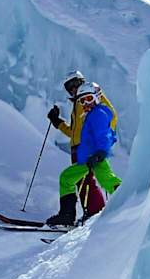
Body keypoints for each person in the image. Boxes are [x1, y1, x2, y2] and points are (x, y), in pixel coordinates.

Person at [44, 83, 121, 227]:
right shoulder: (90, 115)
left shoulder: (99, 113)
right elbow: (75, 132)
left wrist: (100, 152)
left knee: (105, 180)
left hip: (95, 157)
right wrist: (57, 121)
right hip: (87, 158)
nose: (86, 103)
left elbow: (103, 134)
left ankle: (129, 203)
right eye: (82, 100)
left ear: (97, 98)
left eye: (89, 99)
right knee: (68, 178)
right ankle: (67, 215)